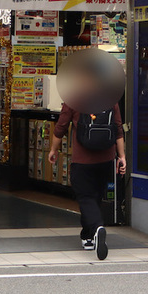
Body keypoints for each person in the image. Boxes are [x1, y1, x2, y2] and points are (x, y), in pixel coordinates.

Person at [49, 103, 127, 260]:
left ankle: (97, 227)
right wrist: (122, 156)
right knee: (95, 197)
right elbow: (118, 129)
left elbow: (61, 126)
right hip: (106, 160)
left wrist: (53, 149)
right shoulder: (110, 97)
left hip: (82, 160)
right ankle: (88, 236)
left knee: (86, 198)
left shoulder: (74, 97)